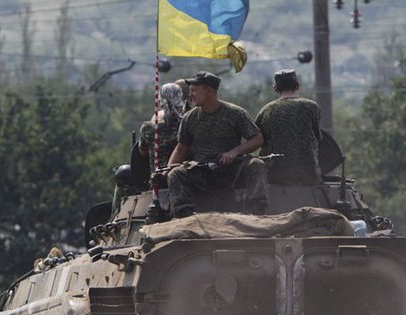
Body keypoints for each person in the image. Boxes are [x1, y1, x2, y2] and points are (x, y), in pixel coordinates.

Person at [166, 71, 268, 217]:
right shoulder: (190, 117)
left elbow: (258, 139)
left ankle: (257, 214)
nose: (190, 95)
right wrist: (167, 170)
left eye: (194, 90)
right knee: (175, 174)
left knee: (257, 164)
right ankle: (185, 218)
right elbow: (181, 148)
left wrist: (234, 152)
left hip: (230, 170)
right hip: (201, 172)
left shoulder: (235, 113)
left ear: (208, 91)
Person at [254, 69, 322, 185]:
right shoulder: (311, 107)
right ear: (297, 86)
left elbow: (262, 145)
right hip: (309, 176)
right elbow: (318, 138)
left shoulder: (266, 111)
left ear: (275, 88)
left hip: (276, 177)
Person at [138, 82, 185, 168]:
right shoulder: (188, 124)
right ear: (180, 98)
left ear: (160, 101)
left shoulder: (148, 128)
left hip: (157, 175)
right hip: (183, 174)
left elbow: (143, 152)